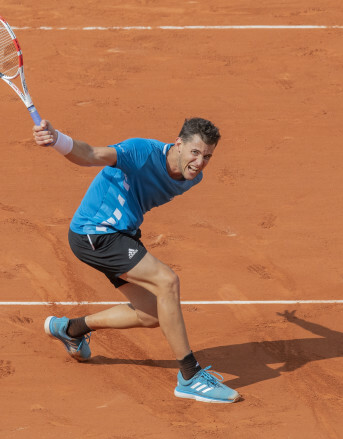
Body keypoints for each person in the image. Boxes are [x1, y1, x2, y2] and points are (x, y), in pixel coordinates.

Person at [32, 117, 240, 403]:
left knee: (152, 315)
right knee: (167, 281)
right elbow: (92, 154)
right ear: (178, 144)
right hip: (96, 232)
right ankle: (189, 377)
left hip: (122, 234)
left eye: (207, 156)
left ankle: (70, 329)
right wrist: (57, 139)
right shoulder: (140, 152)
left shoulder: (192, 176)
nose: (200, 162)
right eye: (194, 152)